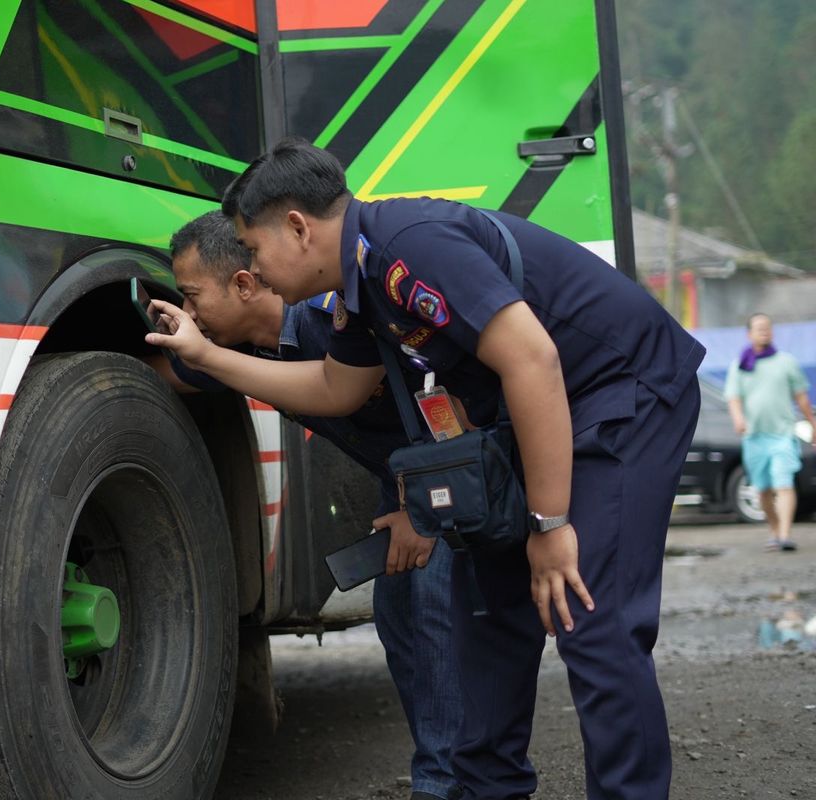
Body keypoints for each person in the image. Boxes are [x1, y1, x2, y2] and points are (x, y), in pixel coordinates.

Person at [146, 138, 705, 800]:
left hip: (620, 393)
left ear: (296, 227)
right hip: (527, 418)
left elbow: (534, 361)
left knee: (590, 621)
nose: (257, 270)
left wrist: (551, 526)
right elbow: (335, 389)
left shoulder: (411, 246)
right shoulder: (359, 285)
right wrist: (206, 358)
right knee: (486, 622)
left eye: (256, 250)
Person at [157, 210, 462, 800]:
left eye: (192, 297)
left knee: (435, 617)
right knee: (401, 619)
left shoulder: (334, 324)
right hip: (402, 481)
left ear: (243, 286)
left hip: (445, 473)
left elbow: (445, 397)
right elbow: (176, 372)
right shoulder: (249, 349)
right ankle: (447, 774)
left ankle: (453, 782)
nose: (189, 315)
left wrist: (425, 511)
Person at [725, 313, 816, 551]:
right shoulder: (741, 364)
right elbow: (733, 397)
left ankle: (785, 535)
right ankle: (775, 531)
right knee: (763, 490)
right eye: (759, 328)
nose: (764, 331)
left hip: (783, 434)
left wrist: (813, 424)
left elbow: (802, 397)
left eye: (767, 327)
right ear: (749, 334)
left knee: (784, 484)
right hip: (754, 437)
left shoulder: (787, 362)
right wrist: (738, 418)